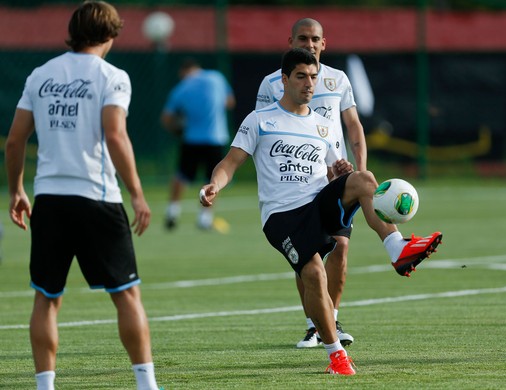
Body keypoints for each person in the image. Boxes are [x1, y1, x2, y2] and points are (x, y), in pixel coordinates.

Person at [202, 47, 442, 375]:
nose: (309, 83)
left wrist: (339, 172)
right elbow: (230, 163)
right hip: (282, 216)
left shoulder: (323, 126)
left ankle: (398, 249)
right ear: (284, 79)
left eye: (314, 77)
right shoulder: (260, 120)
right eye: (301, 76)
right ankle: (336, 355)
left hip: (317, 204)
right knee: (314, 274)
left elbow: (334, 174)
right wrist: (214, 185)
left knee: (363, 179)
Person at [4, 2, 159, 389]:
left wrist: (17, 189)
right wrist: (137, 194)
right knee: (126, 295)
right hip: (98, 198)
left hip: (51, 201)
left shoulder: (41, 74)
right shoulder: (112, 75)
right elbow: (114, 134)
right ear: (111, 35)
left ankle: (45, 386)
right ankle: (146, 384)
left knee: (46, 298)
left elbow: (14, 140)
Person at [255, 17, 367, 349]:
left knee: (341, 247)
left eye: (315, 38)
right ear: (291, 42)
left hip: (336, 177)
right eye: (302, 38)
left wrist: (358, 171)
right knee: (308, 257)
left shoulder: (338, 79)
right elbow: (264, 133)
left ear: (324, 43)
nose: (309, 44)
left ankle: (329, 318)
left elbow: (353, 126)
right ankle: (314, 325)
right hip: (298, 183)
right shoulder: (272, 83)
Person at [161, 57, 236, 231]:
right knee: (213, 179)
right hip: (216, 137)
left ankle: (172, 213)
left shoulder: (181, 88)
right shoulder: (216, 77)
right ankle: (205, 218)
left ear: (184, 72)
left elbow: (166, 118)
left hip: (192, 139)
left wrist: (177, 128)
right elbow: (230, 102)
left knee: (181, 175)